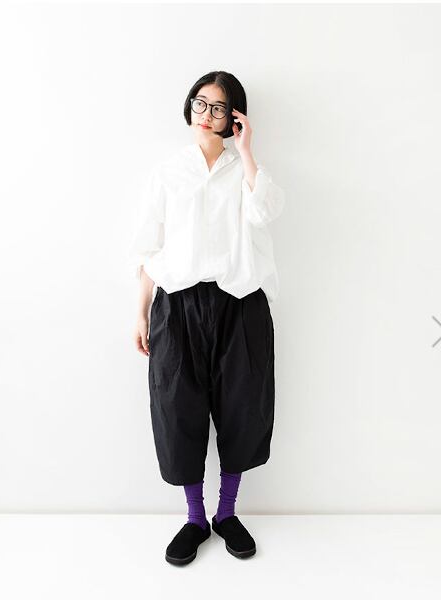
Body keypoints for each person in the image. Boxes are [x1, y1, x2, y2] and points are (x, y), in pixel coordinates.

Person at [128, 70, 284, 566]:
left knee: (243, 408)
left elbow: (266, 212)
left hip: (239, 303)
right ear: (190, 106)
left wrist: (247, 150)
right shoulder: (168, 172)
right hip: (177, 306)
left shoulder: (246, 171)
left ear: (233, 116)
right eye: (201, 103)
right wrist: (140, 312)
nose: (206, 114)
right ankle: (195, 518)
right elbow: (148, 246)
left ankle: (226, 513)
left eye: (218, 107)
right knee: (178, 409)